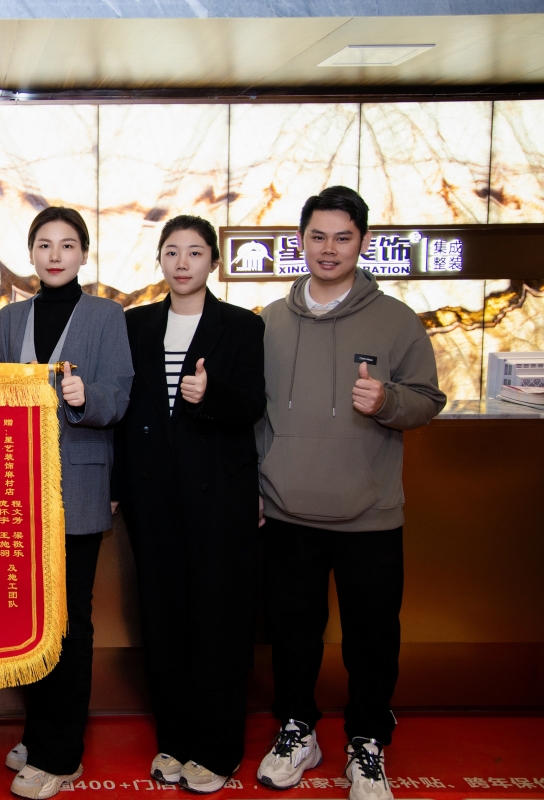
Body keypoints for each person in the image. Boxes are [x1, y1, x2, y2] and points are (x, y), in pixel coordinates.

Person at [254, 187, 445, 800]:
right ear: (300, 241)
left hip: (370, 515)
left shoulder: (397, 320)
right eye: (317, 236)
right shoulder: (269, 321)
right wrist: (255, 484)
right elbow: (253, 415)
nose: (328, 248)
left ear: (362, 242)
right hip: (286, 510)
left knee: (372, 638)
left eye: (342, 237)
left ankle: (366, 740)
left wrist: (388, 400)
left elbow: (428, 400)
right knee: (292, 635)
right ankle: (297, 729)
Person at [111, 215, 266, 794]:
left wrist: (210, 395)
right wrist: (117, 485)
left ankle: (218, 748)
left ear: (213, 262)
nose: (182, 262)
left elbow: (253, 403)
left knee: (218, 620)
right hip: (152, 497)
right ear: (159, 259)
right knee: (163, 618)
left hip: (218, 497)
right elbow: (123, 411)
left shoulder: (242, 326)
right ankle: (174, 740)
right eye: (172, 251)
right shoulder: (135, 324)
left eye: (195, 252)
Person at [0, 207, 133, 800]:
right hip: (16, 492)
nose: (55, 255)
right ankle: (40, 729)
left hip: (79, 487)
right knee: (30, 619)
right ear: (31, 253)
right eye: (44, 244)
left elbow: (120, 396)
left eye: (67, 245)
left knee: (69, 623)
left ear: (83, 254)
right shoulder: (6, 320)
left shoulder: (106, 316)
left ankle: (60, 755)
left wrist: (85, 395)